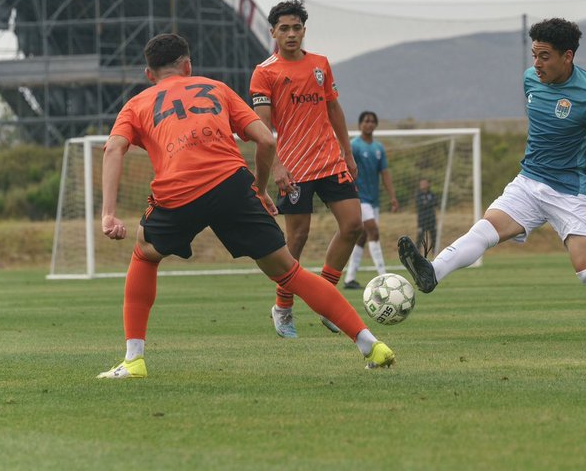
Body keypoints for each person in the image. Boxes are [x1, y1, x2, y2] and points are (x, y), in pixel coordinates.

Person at [97, 33, 394, 379]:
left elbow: (114, 149)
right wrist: (259, 188)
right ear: (188, 66)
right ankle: (371, 343)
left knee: (145, 253)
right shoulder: (216, 88)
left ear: (149, 74)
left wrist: (108, 213)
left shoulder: (137, 103)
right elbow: (266, 139)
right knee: (289, 271)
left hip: (179, 191)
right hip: (232, 185)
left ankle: (134, 360)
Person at [397, 18, 586, 345]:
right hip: (528, 183)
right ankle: (431, 273)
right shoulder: (530, 80)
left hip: (569, 194)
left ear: (567, 56)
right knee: (484, 229)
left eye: (545, 56)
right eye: (534, 55)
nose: (536, 64)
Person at [250, 0, 363, 339]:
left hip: (329, 159)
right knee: (296, 239)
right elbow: (262, 127)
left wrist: (348, 151)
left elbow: (334, 108)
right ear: (273, 32)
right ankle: (283, 306)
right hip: (294, 168)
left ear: (303, 30)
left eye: (296, 28)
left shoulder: (320, 65)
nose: (291, 34)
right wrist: (278, 167)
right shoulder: (265, 71)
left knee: (354, 225)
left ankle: (327, 299)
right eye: (284, 28)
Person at [342, 111, 400, 289]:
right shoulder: (354, 146)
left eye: (372, 121)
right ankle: (383, 276)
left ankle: (349, 278)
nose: (369, 124)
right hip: (360, 199)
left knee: (362, 237)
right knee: (373, 231)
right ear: (360, 125)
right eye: (366, 121)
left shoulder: (378, 148)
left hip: (374, 200)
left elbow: (385, 173)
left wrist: (392, 197)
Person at [415, 177, 439, 251]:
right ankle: (417, 252)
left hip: (431, 218)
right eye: (421, 183)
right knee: (420, 236)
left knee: (434, 236)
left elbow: (435, 203)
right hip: (422, 219)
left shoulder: (432, 194)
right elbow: (419, 205)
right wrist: (428, 204)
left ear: (428, 184)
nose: (422, 185)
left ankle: (435, 252)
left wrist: (426, 204)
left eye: (424, 183)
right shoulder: (418, 195)